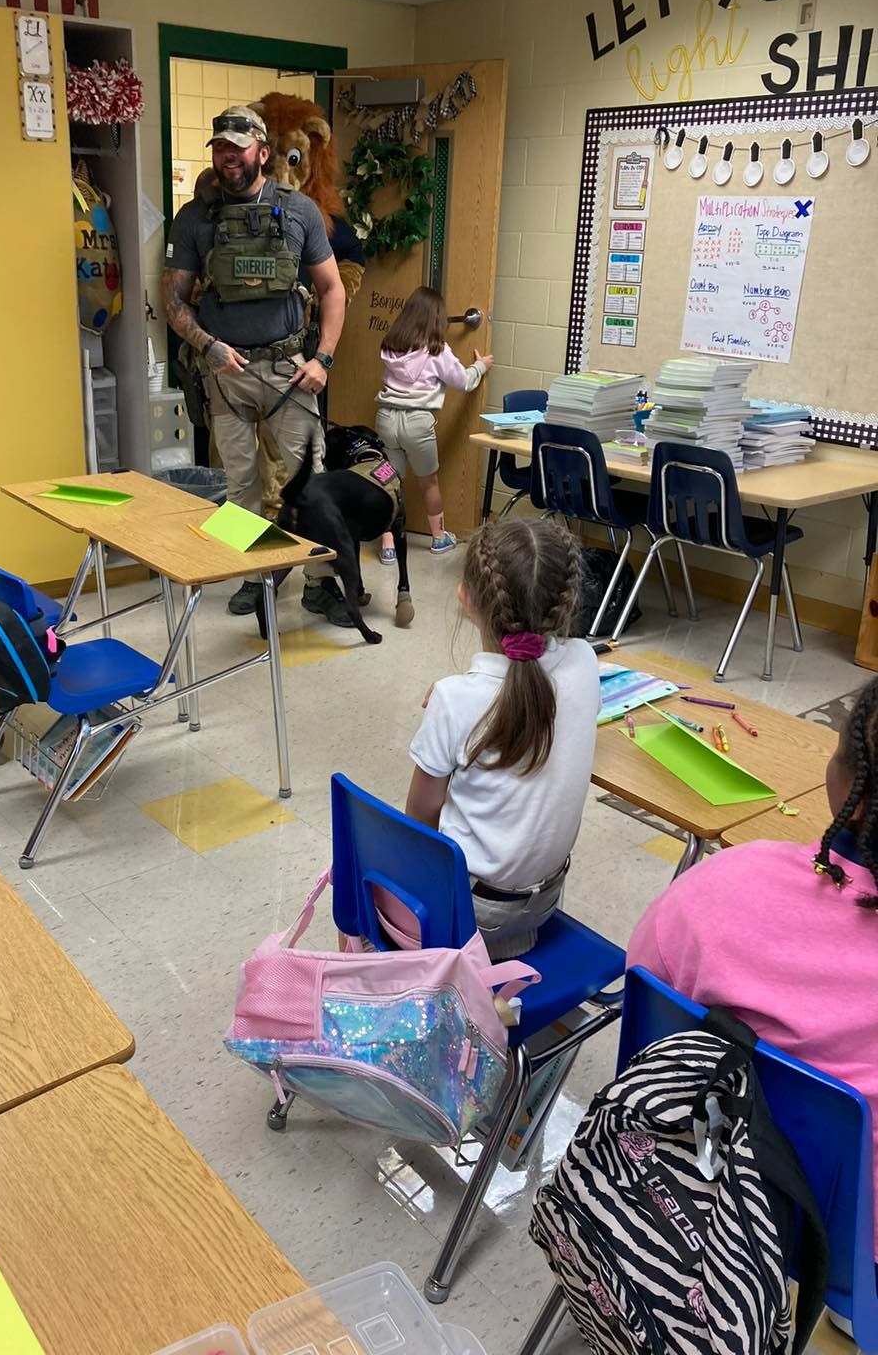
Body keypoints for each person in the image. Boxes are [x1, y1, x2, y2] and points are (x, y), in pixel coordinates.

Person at [628, 676, 878, 1260]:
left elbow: (645, 1004)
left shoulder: (723, 881)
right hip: (847, 1247)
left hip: (697, 1186)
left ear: (854, 794)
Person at [161, 106, 347, 620]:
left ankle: (319, 580)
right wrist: (207, 346)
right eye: (220, 148)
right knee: (239, 485)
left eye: (237, 148)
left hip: (290, 367)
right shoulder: (195, 217)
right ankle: (257, 575)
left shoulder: (301, 210)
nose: (228, 157)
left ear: (262, 152)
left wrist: (323, 358)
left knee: (309, 476)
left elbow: (332, 290)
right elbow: (174, 301)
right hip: (226, 375)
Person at [381, 519, 599, 958]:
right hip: (543, 903)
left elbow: (421, 819)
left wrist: (452, 706)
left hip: (473, 912)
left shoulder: (456, 699)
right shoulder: (586, 661)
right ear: (567, 602)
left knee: (356, 864)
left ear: (465, 598)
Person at [374, 286, 493, 558]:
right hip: (417, 421)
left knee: (389, 481)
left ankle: (388, 545)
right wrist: (481, 366)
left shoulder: (391, 346)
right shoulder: (437, 350)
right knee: (428, 482)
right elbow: (463, 381)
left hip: (386, 417)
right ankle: (439, 538)